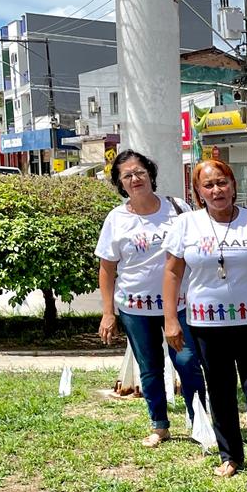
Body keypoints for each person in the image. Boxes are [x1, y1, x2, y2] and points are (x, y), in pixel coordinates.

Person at [162, 159, 247, 478]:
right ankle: (230, 456)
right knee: (221, 389)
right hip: (206, 323)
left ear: (234, 184)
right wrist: (171, 319)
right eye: (208, 185)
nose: (217, 190)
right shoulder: (186, 225)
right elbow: (172, 272)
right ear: (198, 192)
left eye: (222, 182)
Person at [95, 150, 206, 447]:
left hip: (180, 303)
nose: (135, 179)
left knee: (187, 362)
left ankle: (201, 423)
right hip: (135, 307)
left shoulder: (177, 208)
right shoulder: (116, 219)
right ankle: (159, 425)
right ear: (120, 183)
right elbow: (107, 269)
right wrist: (109, 313)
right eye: (127, 175)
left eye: (140, 172)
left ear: (150, 174)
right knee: (150, 368)